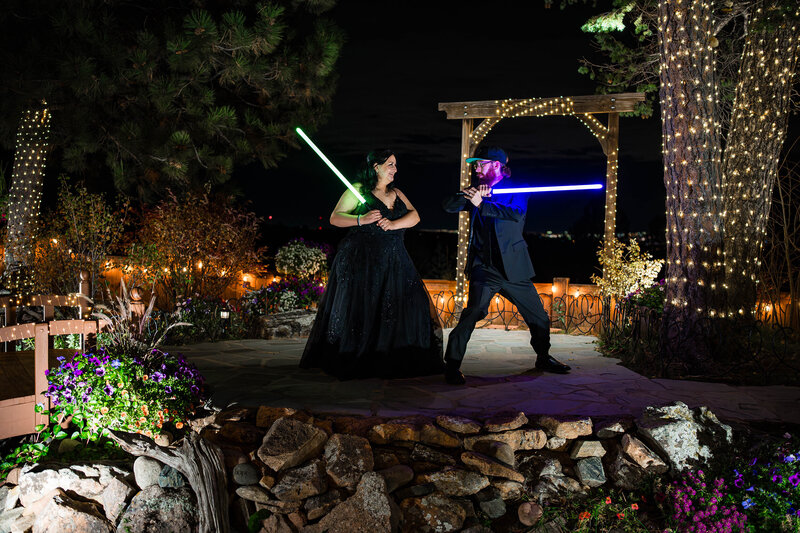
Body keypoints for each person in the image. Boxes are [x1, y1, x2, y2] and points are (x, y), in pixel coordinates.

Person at [300, 149, 445, 379]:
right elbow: (335, 217)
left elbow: (415, 216)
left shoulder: (397, 192)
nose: (395, 169)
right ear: (375, 167)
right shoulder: (358, 189)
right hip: (362, 260)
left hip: (395, 259)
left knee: (410, 302)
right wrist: (361, 219)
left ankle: (396, 355)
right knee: (364, 307)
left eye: (395, 164)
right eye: (390, 164)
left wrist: (394, 225)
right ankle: (358, 356)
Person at [442, 146, 571, 385]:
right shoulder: (477, 191)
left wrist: (483, 203)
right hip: (485, 268)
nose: (476, 168)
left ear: (496, 165)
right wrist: (468, 195)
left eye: (481, 164)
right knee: (472, 314)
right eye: (476, 165)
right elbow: (448, 206)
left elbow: (514, 213)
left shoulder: (518, 190)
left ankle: (543, 357)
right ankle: (452, 366)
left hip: (515, 269)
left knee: (539, 318)